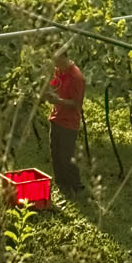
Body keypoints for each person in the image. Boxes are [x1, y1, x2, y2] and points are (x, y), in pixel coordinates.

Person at [47, 53, 88, 198]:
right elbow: (54, 85)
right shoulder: (59, 71)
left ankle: (77, 187)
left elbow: (77, 104)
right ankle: (61, 185)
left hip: (69, 123)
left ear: (64, 57)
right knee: (55, 154)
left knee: (67, 156)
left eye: (56, 61)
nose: (55, 64)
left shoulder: (77, 77)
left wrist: (58, 100)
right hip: (56, 118)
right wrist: (48, 92)